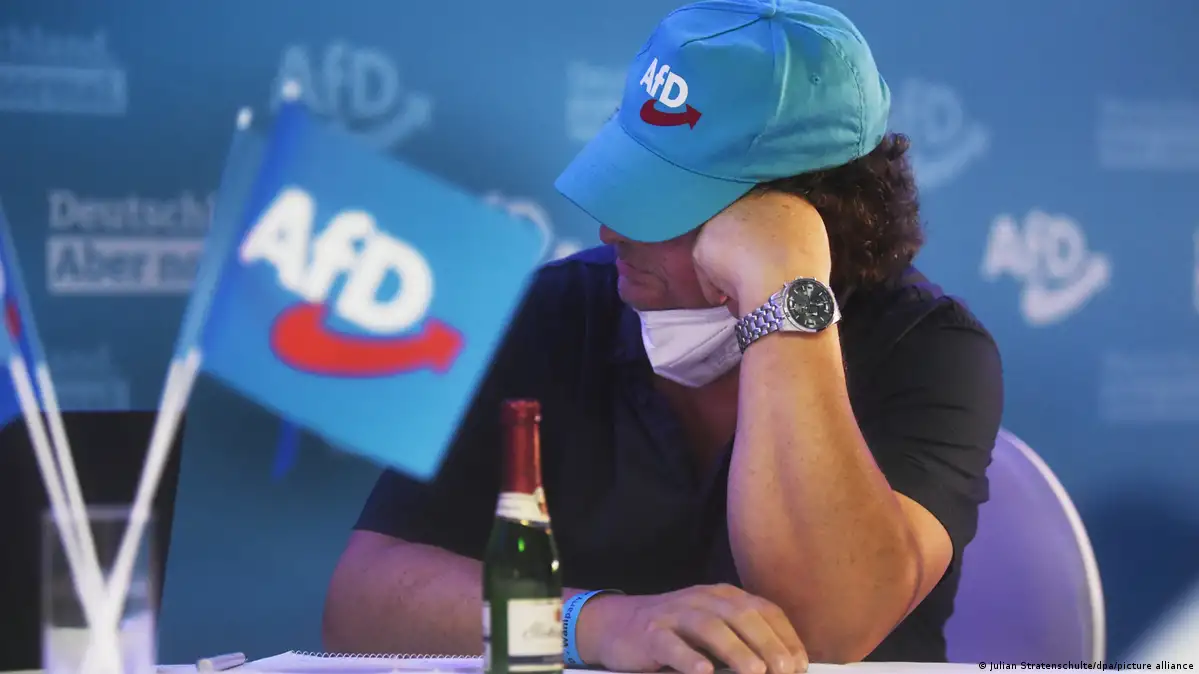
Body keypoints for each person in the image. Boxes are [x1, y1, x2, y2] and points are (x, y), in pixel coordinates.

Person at [322, 0, 1003, 670]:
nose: (610, 229)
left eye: (664, 200)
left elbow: (827, 629)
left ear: (798, 215)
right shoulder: (556, 310)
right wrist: (594, 625)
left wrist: (783, 298)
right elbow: (360, 606)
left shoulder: (930, 349)